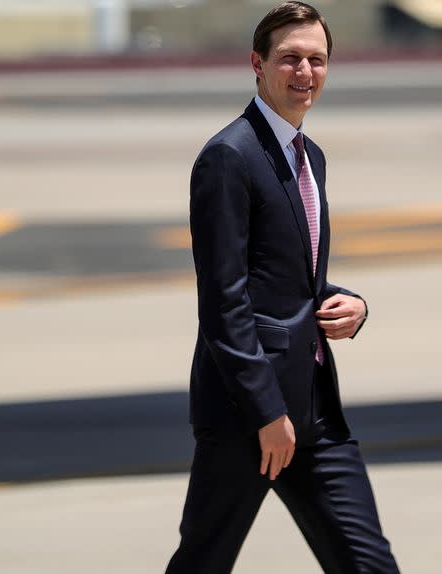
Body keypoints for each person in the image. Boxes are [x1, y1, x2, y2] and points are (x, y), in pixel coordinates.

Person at [165, 3, 400, 573]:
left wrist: (351, 304)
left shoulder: (308, 156)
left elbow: (292, 278)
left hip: (314, 411)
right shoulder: (229, 156)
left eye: (317, 60)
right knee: (204, 562)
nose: (305, 72)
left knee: (369, 564)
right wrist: (267, 414)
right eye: (290, 58)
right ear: (257, 63)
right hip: (250, 415)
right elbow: (224, 299)